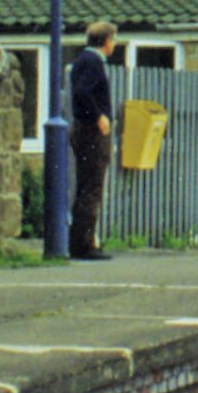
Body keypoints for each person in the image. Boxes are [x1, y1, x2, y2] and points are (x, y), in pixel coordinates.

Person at [68, 20, 121, 260]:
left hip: (82, 130)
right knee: (92, 188)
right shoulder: (93, 62)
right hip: (91, 132)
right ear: (107, 41)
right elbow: (82, 92)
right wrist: (99, 116)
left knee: (85, 186)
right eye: (114, 40)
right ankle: (84, 245)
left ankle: (80, 241)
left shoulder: (82, 60)